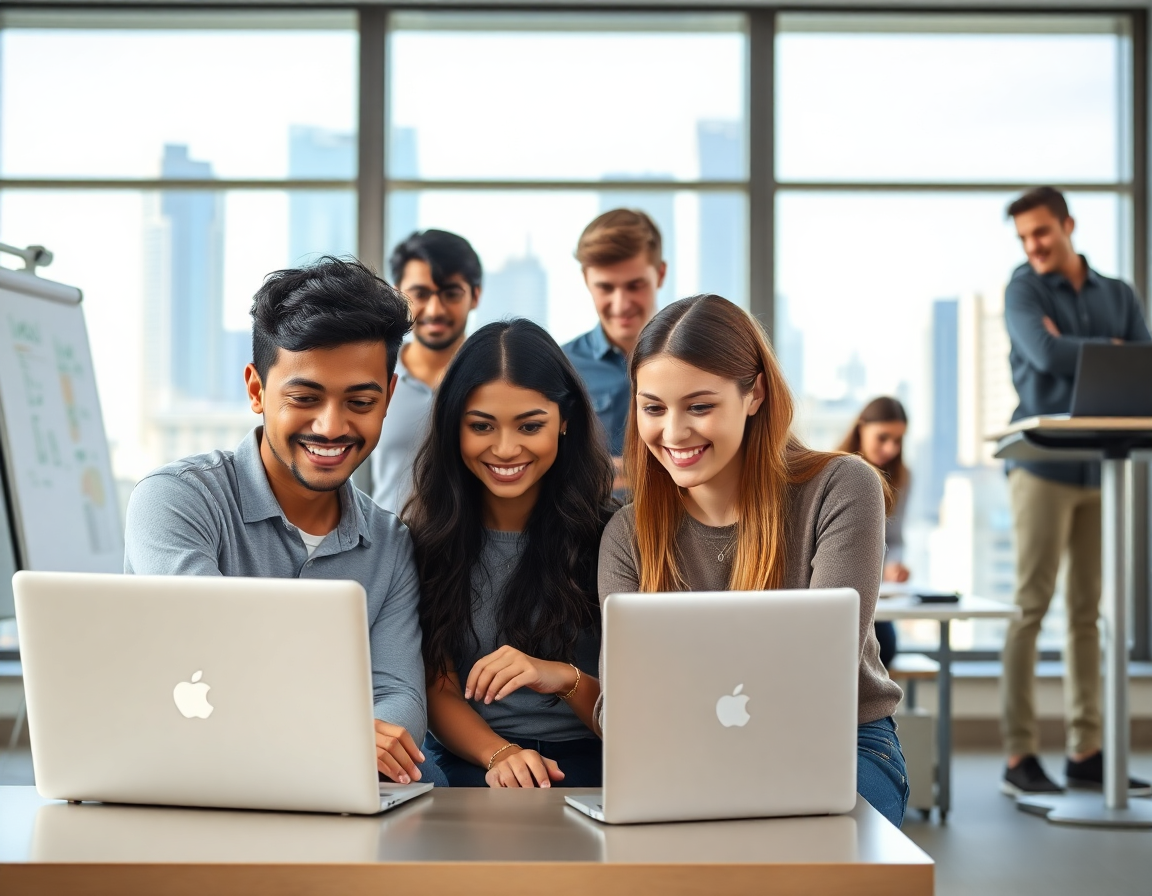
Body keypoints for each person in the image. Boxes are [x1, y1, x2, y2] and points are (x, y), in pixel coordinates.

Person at [124, 256, 443, 787]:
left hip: (328, 792)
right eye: (304, 398)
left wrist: (327, 737)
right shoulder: (175, 500)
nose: (331, 426)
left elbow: (400, 698)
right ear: (256, 391)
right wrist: (338, 734)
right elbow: (206, 655)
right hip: (183, 782)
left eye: (360, 401)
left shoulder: (390, 541)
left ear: (387, 397)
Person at [596, 294, 909, 827]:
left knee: (801, 860)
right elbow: (621, 709)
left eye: (699, 406)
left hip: (839, 744)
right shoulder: (627, 533)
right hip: (684, 755)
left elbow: (818, 678)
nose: (673, 434)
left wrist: (680, 690)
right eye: (653, 408)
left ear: (755, 393)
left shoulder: (842, 487)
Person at [404, 319, 614, 789]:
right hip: (475, 756)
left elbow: (642, 712)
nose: (504, 448)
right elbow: (438, 689)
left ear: (565, 422)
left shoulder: (612, 536)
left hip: (598, 756)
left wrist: (561, 677)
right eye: (481, 426)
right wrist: (501, 753)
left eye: (530, 425)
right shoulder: (426, 537)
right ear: (453, 428)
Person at [1000, 186, 1152, 797]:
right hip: (1043, 467)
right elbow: (1044, 352)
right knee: (1030, 607)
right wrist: (1108, 352)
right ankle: (1017, 755)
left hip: (1102, 469)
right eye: (1023, 238)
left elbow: (1142, 363)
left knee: (1087, 614)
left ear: (1068, 225)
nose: (1033, 247)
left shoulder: (1116, 294)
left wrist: (1093, 353)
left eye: (1041, 232)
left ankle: (1086, 750)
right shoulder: (1024, 288)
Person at [371, 229, 483, 514]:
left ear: (475, 296)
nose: (435, 309)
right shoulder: (372, 374)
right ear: (397, 294)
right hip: (385, 549)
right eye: (420, 293)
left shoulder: (496, 376)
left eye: (451, 294)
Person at [563, 209, 667, 490]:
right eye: (606, 288)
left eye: (635, 286)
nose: (621, 304)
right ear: (586, 280)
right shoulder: (562, 367)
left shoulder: (697, 360)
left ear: (660, 274)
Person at [837, 396, 912, 669]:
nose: (891, 448)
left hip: (876, 601)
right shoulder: (832, 471)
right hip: (836, 590)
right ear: (861, 428)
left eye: (898, 440)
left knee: (884, 649)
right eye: (883, 437)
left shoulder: (902, 478)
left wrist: (894, 566)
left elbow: (895, 539)